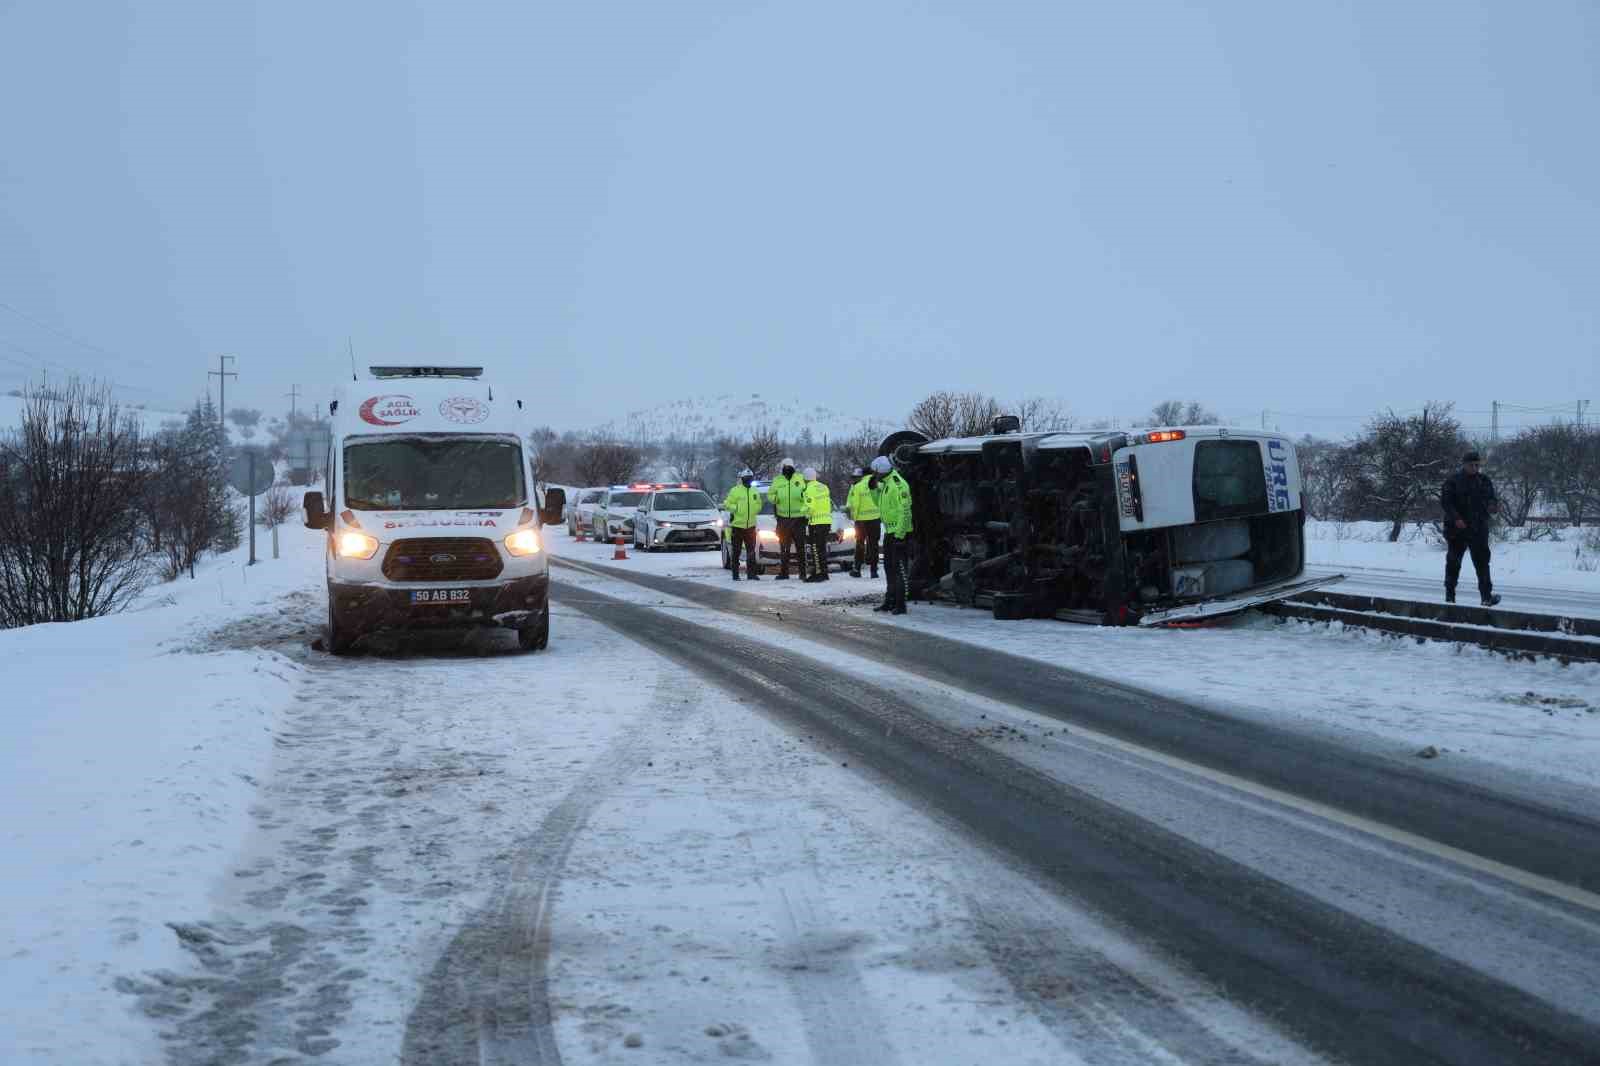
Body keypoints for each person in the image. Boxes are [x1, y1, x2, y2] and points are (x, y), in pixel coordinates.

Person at [1440, 450, 1501, 606]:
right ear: (1464, 465)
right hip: (1457, 529)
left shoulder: (1484, 480)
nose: (1475, 467)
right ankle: (1449, 596)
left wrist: (1492, 506)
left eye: (1477, 465)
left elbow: (1491, 499)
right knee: (1453, 562)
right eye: (1471, 465)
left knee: (1482, 563)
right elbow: (1446, 503)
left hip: (1478, 528)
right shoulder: (1453, 481)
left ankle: (1486, 597)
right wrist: (1456, 518)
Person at [873, 456, 913, 613]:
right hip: (890, 531)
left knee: (899, 569)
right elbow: (880, 505)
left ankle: (900, 603)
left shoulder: (898, 485)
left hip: (899, 533)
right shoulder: (886, 484)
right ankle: (889, 601)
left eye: (876, 473)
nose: (875, 476)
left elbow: (905, 511)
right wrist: (873, 489)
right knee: (889, 568)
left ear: (881, 471)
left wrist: (900, 535)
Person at [769, 458, 808, 580]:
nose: (787, 470)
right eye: (785, 468)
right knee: (784, 547)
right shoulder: (777, 481)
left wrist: (804, 496)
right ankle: (784, 573)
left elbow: (808, 494)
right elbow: (770, 495)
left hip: (799, 519)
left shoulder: (801, 479)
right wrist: (776, 498)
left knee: (800, 547)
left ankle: (802, 573)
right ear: (782, 468)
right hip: (783, 519)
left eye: (789, 468)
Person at [722, 468, 764, 581]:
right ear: (742, 479)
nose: (748, 480)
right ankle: (735, 574)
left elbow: (759, 503)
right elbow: (727, 503)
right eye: (746, 478)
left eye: (750, 478)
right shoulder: (735, 490)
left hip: (750, 526)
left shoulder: (754, 491)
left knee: (751, 551)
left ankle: (751, 574)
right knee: (736, 551)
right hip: (737, 526)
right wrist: (736, 509)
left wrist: (756, 509)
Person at [845, 465, 881, 578]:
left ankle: (857, 569)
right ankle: (874, 571)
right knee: (874, 545)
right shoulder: (878, 485)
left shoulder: (858, 486)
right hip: (875, 519)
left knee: (860, 544)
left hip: (861, 521)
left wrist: (854, 518)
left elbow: (855, 505)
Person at [802, 467, 833, 582]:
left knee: (815, 548)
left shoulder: (809, 489)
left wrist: (803, 513)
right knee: (822, 548)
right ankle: (824, 572)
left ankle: (818, 573)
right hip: (826, 521)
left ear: (805, 479)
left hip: (815, 522)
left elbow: (810, 507)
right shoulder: (824, 487)